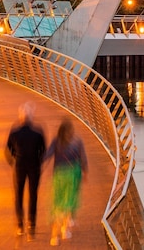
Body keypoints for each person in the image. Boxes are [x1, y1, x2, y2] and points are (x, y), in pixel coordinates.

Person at [6, 102, 47, 241]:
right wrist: (39, 161)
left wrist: (13, 160)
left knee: (18, 195)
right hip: (34, 165)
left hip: (19, 165)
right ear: (31, 116)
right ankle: (31, 226)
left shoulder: (14, 132)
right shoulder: (38, 132)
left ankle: (20, 225)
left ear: (20, 116)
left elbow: (8, 149)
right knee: (33, 195)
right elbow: (43, 150)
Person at [44, 119, 88, 246]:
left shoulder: (56, 141)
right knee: (68, 203)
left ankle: (54, 236)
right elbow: (83, 158)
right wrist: (85, 172)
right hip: (72, 175)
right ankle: (65, 229)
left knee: (57, 205)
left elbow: (47, 155)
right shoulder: (77, 141)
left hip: (58, 176)